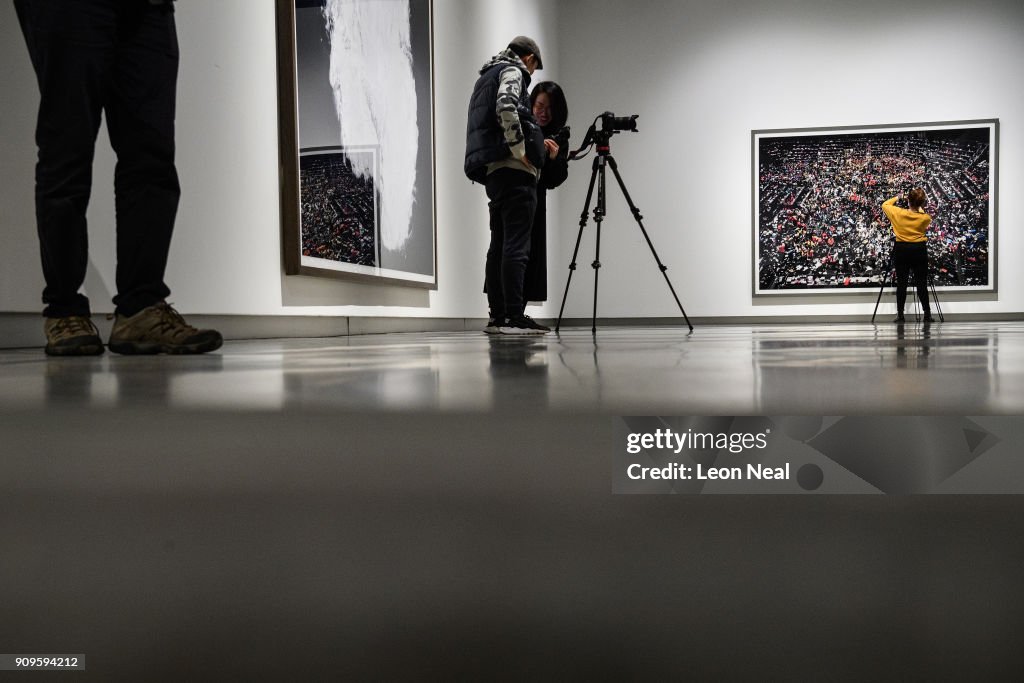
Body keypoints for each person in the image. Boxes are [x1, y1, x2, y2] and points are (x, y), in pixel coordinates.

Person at [15, 0, 222, 356]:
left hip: (148, 7)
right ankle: (64, 311)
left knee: (151, 157)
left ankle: (141, 309)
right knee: (67, 151)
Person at [464, 36, 550, 336]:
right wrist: (521, 149)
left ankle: (498, 316)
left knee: (498, 245)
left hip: (494, 171)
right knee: (516, 245)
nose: (533, 74)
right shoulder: (512, 72)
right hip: (514, 170)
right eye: (535, 67)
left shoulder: (485, 77)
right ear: (528, 59)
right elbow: (506, 106)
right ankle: (514, 315)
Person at [523, 81, 570, 305]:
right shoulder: (521, 125)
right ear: (531, 103)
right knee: (508, 251)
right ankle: (501, 313)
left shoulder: (559, 135)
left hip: (537, 199)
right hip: (515, 194)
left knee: (531, 255)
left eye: (550, 108)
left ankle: (517, 312)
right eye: (540, 106)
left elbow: (556, 179)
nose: (544, 113)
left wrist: (552, 159)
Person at [882, 188, 933, 323]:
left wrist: (899, 197)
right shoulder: (925, 218)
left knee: (902, 283)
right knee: (921, 283)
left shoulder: (898, 213)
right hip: (919, 250)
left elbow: (885, 205)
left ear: (908, 200)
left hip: (902, 249)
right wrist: (918, 205)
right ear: (922, 203)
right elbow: (920, 211)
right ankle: (927, 314)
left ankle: (900, 315)